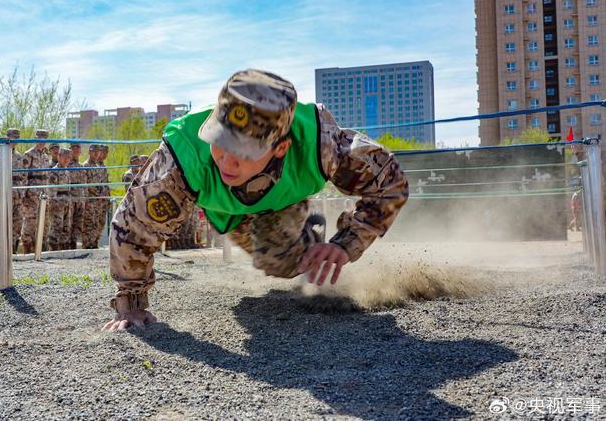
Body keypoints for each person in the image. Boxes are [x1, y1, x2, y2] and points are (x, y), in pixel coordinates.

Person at [102, 69, 409, 331]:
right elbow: (132, 227)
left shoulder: (321, 142)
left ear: (280, 147)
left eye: (243, 151)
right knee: (276, 263)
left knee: (289, 262)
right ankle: (304, 233)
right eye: (219, 142)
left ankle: (304, 229)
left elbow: (389, 182)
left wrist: (345, 244)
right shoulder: (183, 156)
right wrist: (131, 304)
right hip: (230, 212)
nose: (226, 161)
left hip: (284, 203)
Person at [21, 129, 51, 254]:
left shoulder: (45, 156)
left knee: (43, 221)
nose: (41, 142)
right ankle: (27, 249)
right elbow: (23, 175)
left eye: (44, 140)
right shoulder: (29, 154)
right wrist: (24, 195)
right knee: (30, 221)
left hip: (44, 194)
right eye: (39, 139)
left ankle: (39, 248)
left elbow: (47, 175)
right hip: (32, 194)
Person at [48, 148, 73, 251]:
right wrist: (58, 204)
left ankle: (63, 251)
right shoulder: (54, 172)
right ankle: (53, 251)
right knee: (56, 228)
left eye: (68, 158)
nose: (66, 160)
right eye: (64, 158)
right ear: (59, 157)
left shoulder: (67, 171)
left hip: (66, 203)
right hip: (58, 205)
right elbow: (52, 193)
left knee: (66, 228)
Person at [7, 128, 26, 253]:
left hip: (18, 194)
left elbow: (23, 176)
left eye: (17, 137)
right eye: (13, 136)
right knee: (3, 221)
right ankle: (1, 249)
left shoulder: (19, 157)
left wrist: (23, 192)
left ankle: (13, 248)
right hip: (5, 193)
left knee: (18, 222)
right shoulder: (0, 154)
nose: (15, 139)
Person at [81, 144, 104, 249]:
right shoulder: (85, 165)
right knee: (88, 224)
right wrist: (95, 192)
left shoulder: (98, 166)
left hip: (98, 200)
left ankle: (94, 244)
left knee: (96, 223)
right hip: (89, 199)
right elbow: (85, 184)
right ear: (89, 152)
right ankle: (87, 245)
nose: (96, 153)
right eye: (93, 151)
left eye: (97, 151)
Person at [67, 142, 85, 249]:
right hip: (69, 199)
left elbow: (84, 185)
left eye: (78, 148)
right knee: (68, 225)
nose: (76, 151)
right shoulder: (67, 164)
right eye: (74, 148)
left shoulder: (81, 166)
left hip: (79, 199)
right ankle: (65, 248)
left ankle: (73, 248)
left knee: (77, 226)